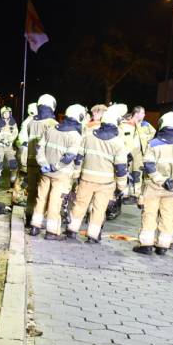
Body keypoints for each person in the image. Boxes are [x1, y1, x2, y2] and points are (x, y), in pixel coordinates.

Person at [134, 112, 173, 255]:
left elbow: (149, 165)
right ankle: (163, 246)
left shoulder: (154, 143)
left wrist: (161, 181)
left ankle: (146, 245)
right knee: (168, 216)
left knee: (149, 214)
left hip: (154, 187)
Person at [68, 103, 129, 244]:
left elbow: (79, 158)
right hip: (106, 184)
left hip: (86, 180)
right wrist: (121, 187)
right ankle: (93, 236)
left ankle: (71, 230)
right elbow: (121, 168)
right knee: (99, 209)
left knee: (80, 205)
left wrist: (76, 176)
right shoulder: (118, 143)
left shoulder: (88, 136)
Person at [31, 102, 85, 239]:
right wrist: (56, 166)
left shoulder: (51, 129)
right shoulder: (75, 136)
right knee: (55, 202)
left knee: (41, 198)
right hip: (62, 174)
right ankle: (51, 232)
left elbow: (39, 147)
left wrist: (43, 163)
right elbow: (70, 157)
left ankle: (34, 227)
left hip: (45, 172)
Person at [23, 95, 59, 228]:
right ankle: (39, 220)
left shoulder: (31, 122)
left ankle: (28, 218)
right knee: (44, 193)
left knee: (31, 191)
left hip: (31, 161)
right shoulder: (52, 123)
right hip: (45, 164)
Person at [120, 106, 154, 203]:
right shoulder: (125, 124)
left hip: (138, 154)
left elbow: (152, 132)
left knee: (137, 174)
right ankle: (126, 194)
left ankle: (135, 195)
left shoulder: (144, 125)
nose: (144, 115)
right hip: (127, 154)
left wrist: (144, 141)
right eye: (142, 113)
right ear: (137, 113)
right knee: (126, 174)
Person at [0, 106, 21, 195]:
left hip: (9, 147)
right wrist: (2, 139)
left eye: (8, 113)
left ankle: (12, 185)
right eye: (5, 113)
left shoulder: (13, 122)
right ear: (2, 114)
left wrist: (10, 139)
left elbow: (15, 132)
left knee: (13, 165)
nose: (7, 114)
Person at [13, 102, 38, 205]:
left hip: (23, 150)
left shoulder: (28, 121)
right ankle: (18, 198)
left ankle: (18, 196)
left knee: (22, 174)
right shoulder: (31, 122)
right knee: (24, 174)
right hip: (25, 150)